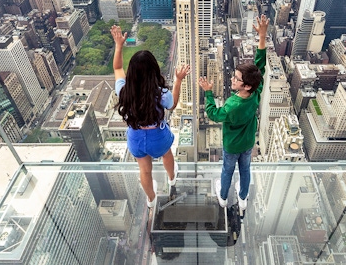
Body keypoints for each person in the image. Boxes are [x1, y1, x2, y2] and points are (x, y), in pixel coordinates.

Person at [112, 25, 190, 208]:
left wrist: (119, 46)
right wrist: (178, 80)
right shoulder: (159, 94)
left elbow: (117, 68)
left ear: (131, 73)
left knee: (144, 171)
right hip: (158, 137)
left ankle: (151, 199)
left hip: (136, 137)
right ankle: (171, 179)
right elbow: (173, 104)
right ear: (154, 71)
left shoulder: (124, 91)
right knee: (167, 156)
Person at [199, 15, 268, 211]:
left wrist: (209, 92)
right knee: (245, 169)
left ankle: (223, 197)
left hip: (231, 145)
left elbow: (213, 114)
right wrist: (262, 38)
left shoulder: (232, 105)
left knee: (227, 171)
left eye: (236, 79)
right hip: (247, 142)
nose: (232, 79)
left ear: (246, 85)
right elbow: (260, 65)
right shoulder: (256, 91)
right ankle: (243, 197)